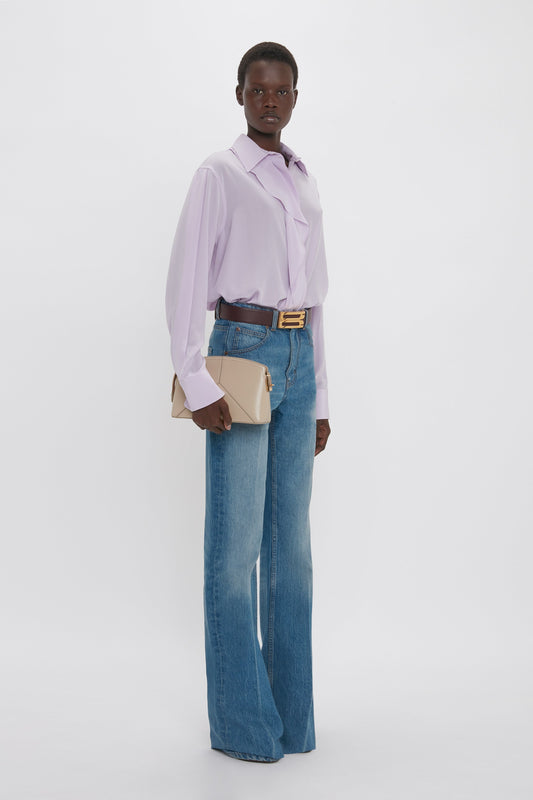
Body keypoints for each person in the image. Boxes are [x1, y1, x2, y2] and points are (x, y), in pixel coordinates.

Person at [165, 41, 331, 763]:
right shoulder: (219, 174)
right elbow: (183, 279)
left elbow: (316, 298)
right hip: (241, 348)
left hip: (297, 356)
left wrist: (320, 393)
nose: (271, 100)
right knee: (234, 554)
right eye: (258, 89)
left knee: (290, 553)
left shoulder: (301, 182)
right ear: (239, 94)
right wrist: (193, 376)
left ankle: (291, 722)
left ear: (294, 98)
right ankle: (240, 725)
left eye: (283, 90)